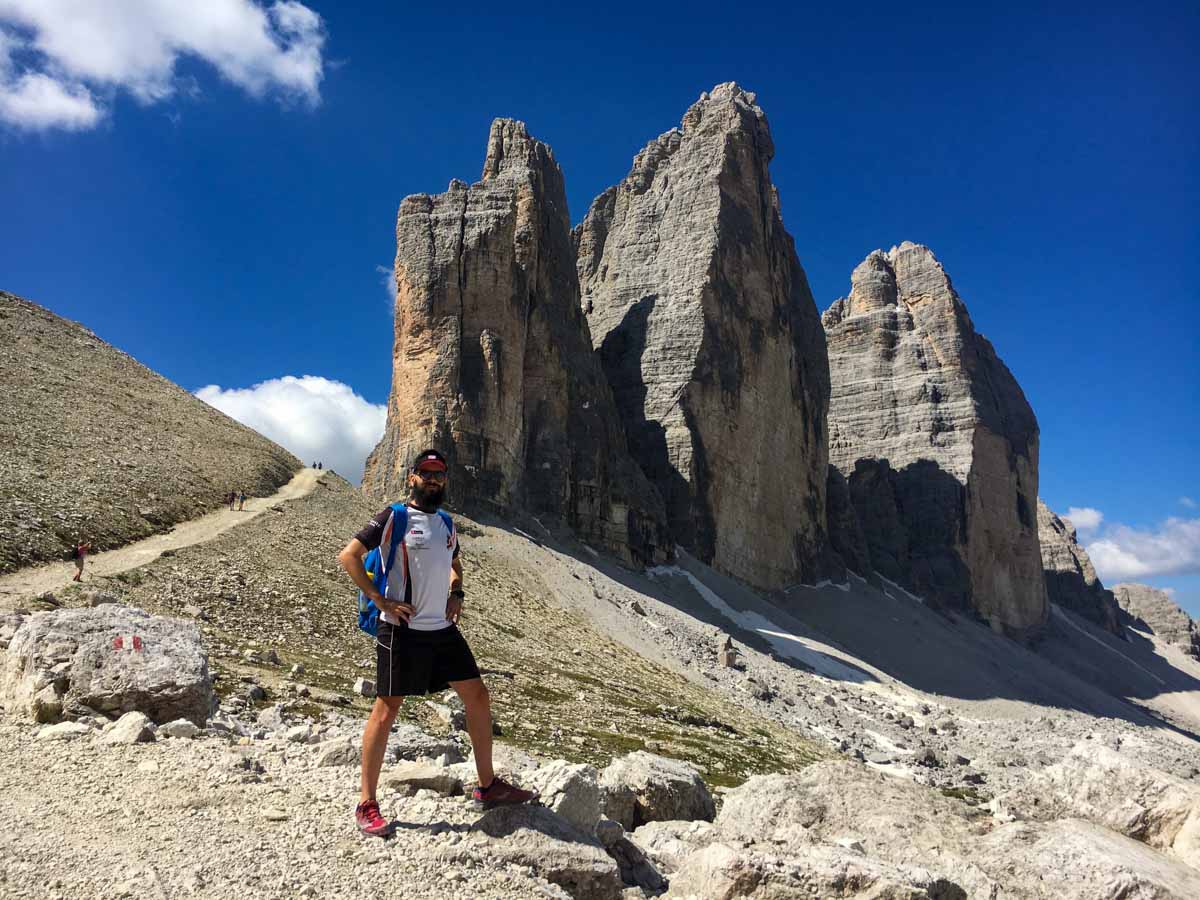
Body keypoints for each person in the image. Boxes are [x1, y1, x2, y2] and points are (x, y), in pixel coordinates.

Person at [337, 448, 535, 837]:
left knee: (478, 697)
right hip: (400, 628)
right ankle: (367, 802)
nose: (433, 479)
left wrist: (456, 592)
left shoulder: (446, 523)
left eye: (439, 474)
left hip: (441, 630)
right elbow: (349, 556)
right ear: (412, 477)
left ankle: (487, 786)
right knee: (386, 711)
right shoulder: (393, 517)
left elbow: (455, 562)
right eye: (426, 473)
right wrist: (380, 599)